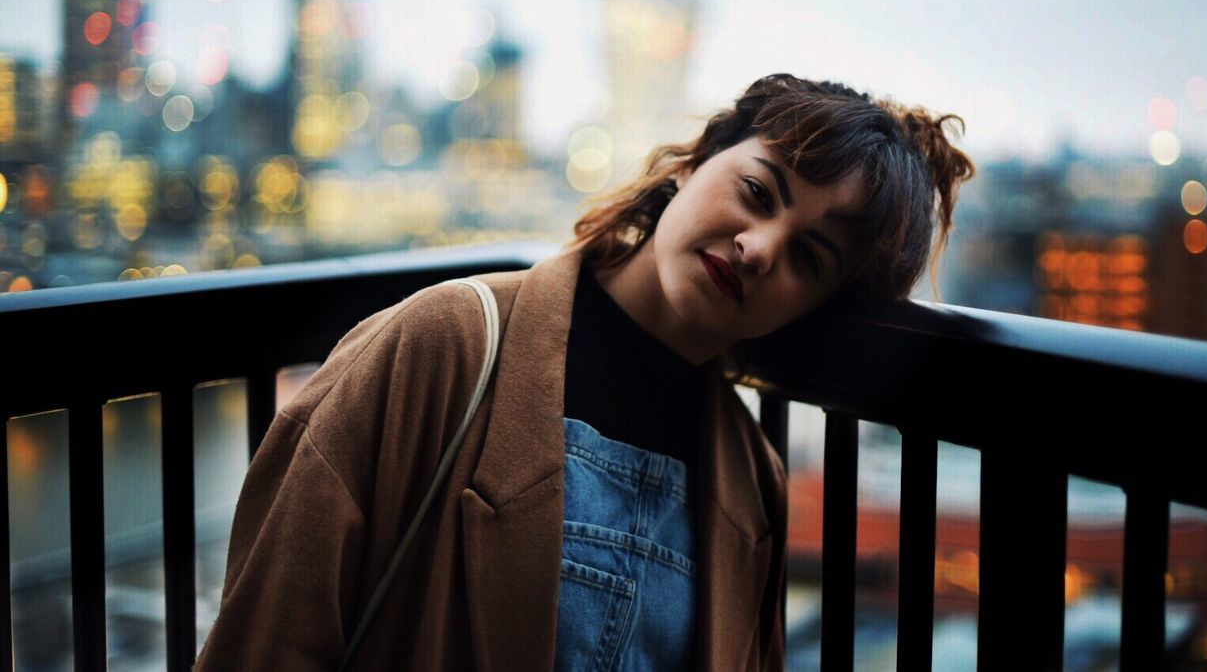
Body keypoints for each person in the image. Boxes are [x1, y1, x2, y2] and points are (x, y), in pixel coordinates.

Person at [192, 72, 975, 672]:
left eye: (808, 256)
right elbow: (267, 644)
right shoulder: (445, 347)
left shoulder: (755, 485)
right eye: (757, 191)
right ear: (694, 163)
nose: (759, 246)